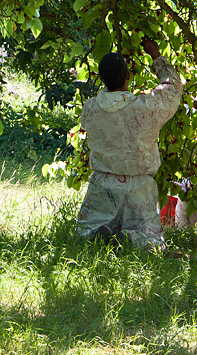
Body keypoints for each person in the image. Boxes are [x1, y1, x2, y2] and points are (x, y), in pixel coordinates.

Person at [75, 36, 183, 249]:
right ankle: (133, 236)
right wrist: (155, 55)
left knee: (87, 234)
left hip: (103, 185)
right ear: (128, 76)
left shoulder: (90, 108)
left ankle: (100, 233)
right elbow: (172, 89)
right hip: (139, 187)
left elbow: (96, 115)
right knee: (147, 241)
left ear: (102, 78)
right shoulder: (145, 108)